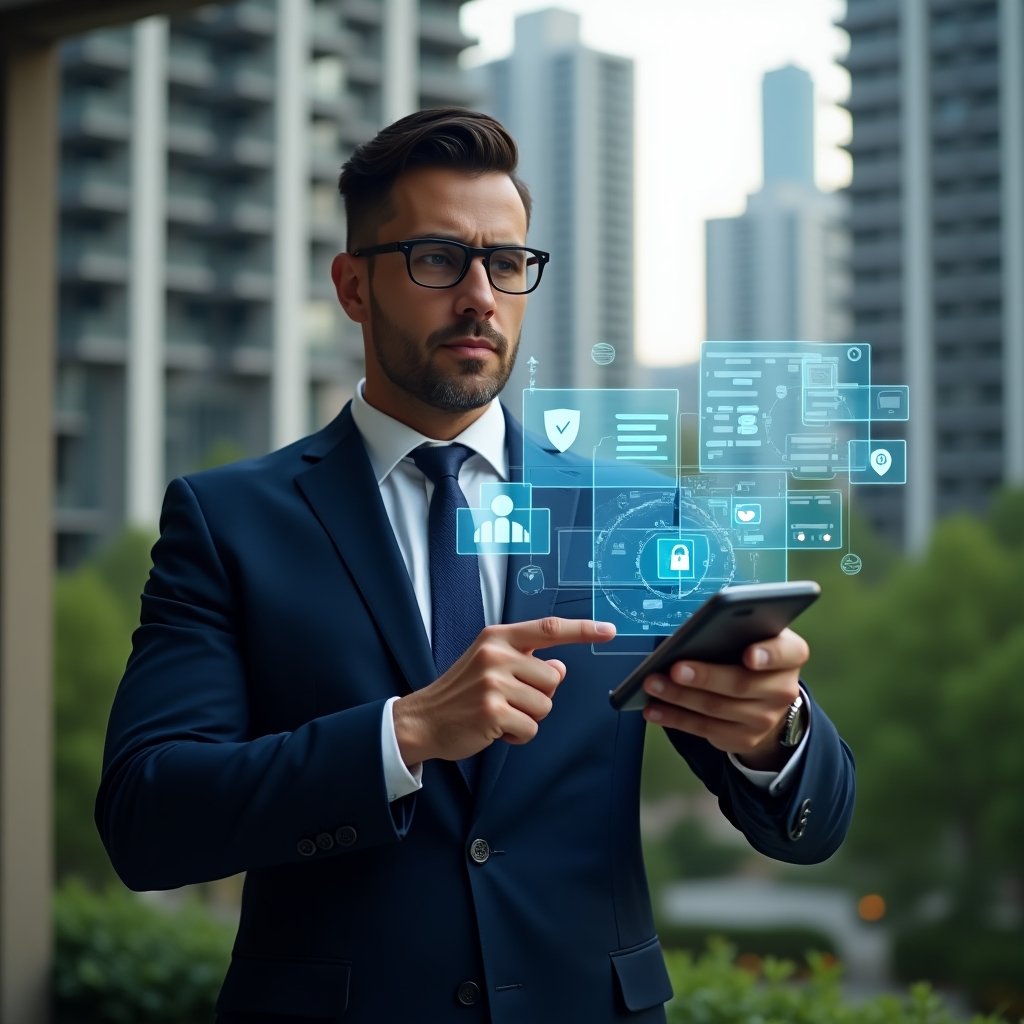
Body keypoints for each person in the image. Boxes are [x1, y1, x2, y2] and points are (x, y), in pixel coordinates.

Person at [96, 107, 855, 1024]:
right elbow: (146, 820)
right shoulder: (228, 523)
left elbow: (810, 827)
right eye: (436, 259)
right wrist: (402, 734)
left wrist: (775, 736)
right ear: (352, 285)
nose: (480, 296)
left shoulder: (637, 516)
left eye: (506, 263)